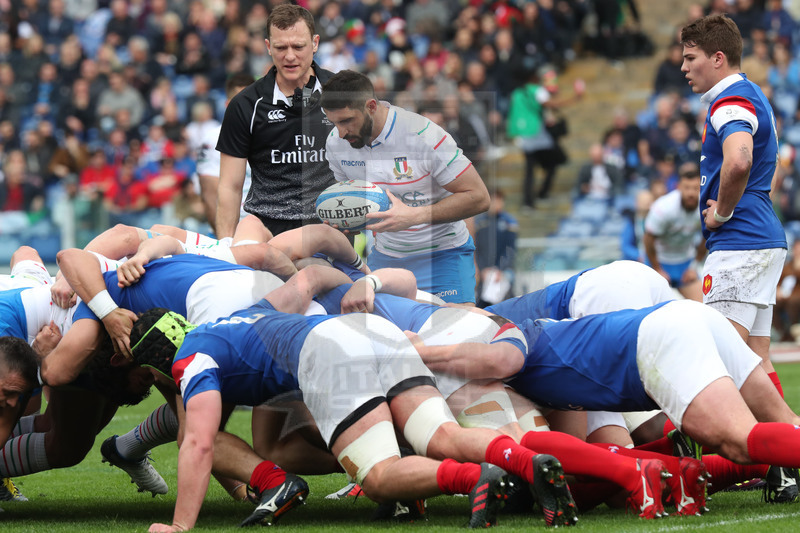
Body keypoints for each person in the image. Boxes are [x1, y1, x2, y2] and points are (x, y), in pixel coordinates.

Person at [680, 15, 788, 396]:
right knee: (756, 357)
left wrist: (722, 213)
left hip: (740, 240)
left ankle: (747, 451)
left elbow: (739, 159)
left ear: (718, 58)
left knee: (719, 357)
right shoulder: (752, 93)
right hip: (762, 235)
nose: (683, 67)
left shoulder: (730, 101)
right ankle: (780, 444)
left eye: (691, 57)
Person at [320, 70, 490, 305]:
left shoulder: (423, 134)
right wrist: (349, 221)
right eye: (334, 122)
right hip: (386, 257)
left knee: (453, 334)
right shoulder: (336, 143)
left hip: (443, 256)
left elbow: (479, 197)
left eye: (347, 121)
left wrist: (414, 216)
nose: (341, 132)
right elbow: (351, 199)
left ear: (371, 106)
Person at [215, 4, 336, 239]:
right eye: (281, 47)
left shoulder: (343, 95)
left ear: (315, 43)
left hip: (331, 226)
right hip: (268, 230)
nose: (289, 56)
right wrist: (226, 247)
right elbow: (229, 187)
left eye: (298, 46)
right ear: (268, 47)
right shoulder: (244, 105)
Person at [194, 73, 253, 236]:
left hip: (269, 228)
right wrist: (226, 241)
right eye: (241, 103)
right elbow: (210, 194)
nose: (248, 108)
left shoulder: (276, 135)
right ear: (228, 105)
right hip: (232, 229)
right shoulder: (213, 139)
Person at [643, 162, 706, 301]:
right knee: (651, 311)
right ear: (678, 187)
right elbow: (648, 238)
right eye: (686, 188)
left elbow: (707, 237)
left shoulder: (704, 208)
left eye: (695, 188)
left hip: (685, 264)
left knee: (705, 306)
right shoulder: (663, 207)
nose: (690, 193)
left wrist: (694, 266)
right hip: (659, 261)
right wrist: (657, 269)